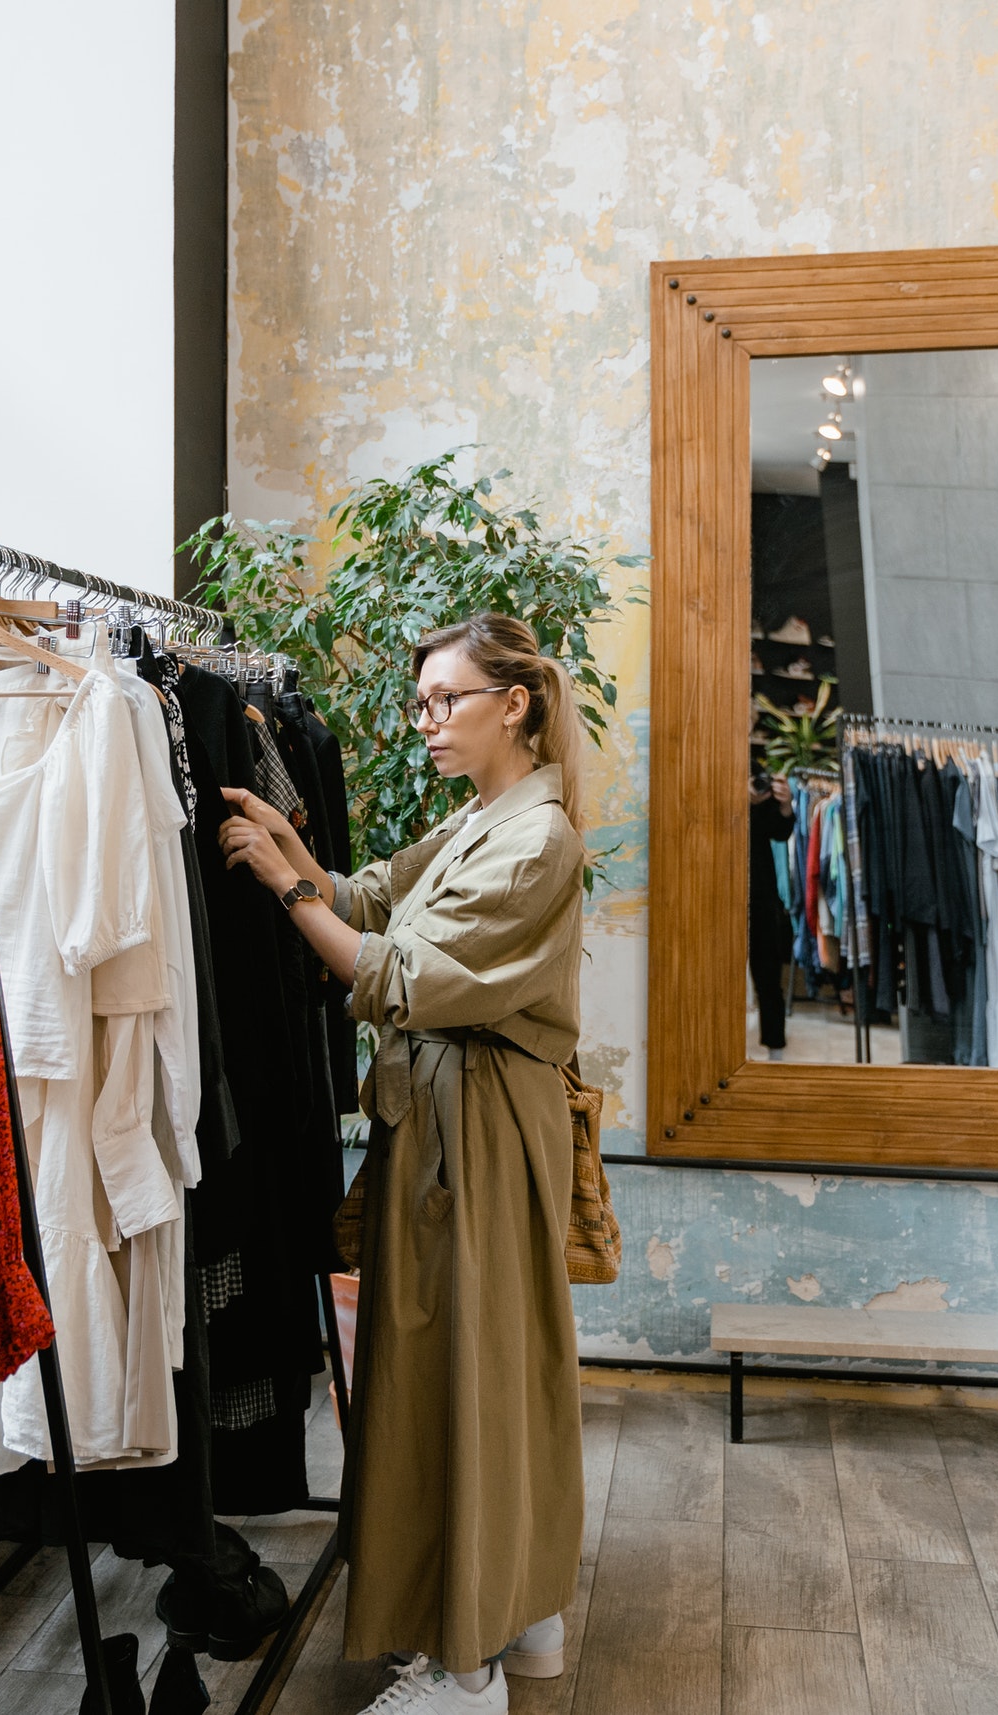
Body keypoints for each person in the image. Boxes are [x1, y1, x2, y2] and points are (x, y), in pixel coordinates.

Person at [217, 611, 587, 1715]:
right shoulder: (489, 814)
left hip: (472, 1130)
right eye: (420, 701)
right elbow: (372, 892)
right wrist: (291, 853)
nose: (423, 720)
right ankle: (518, 1617)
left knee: (452, 1381)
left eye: (444, 700)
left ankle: (462, 1662)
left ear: (509, 704)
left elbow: (394, 973)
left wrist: (285, 893)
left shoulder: (536, 838)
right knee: (488, 1373)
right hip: (453, 1123)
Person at [748, 773, 796, 1059]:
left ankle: (775, 1048)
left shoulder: (756, 773)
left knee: (768, 973)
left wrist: (785, 805)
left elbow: (779, 832)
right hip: (719, 890)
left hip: (761, 892)